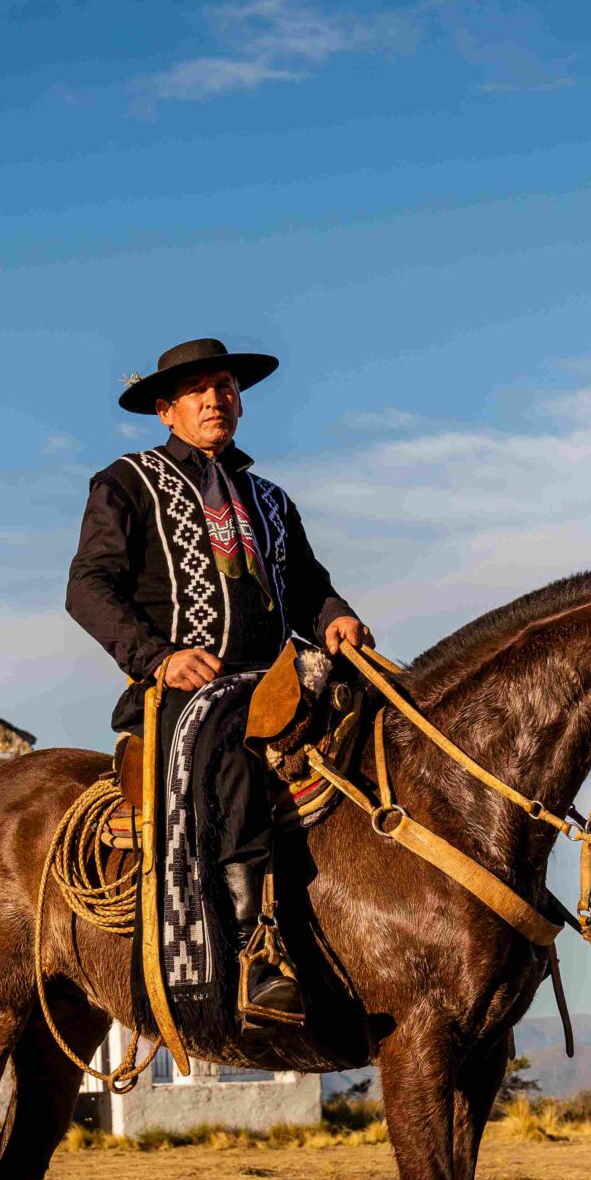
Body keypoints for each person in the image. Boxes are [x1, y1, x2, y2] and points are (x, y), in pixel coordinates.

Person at [65, 337, 372, 1029]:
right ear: (165, 410)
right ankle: (252, 953)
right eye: (198, 391)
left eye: (226, 386)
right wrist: (157, 656)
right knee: (232, 743)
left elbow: (306, 587)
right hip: (183, 691)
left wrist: (336, 616)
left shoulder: (270, 498)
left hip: (278, 681)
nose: (216, 399)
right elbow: (87, 587)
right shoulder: (126, 483)